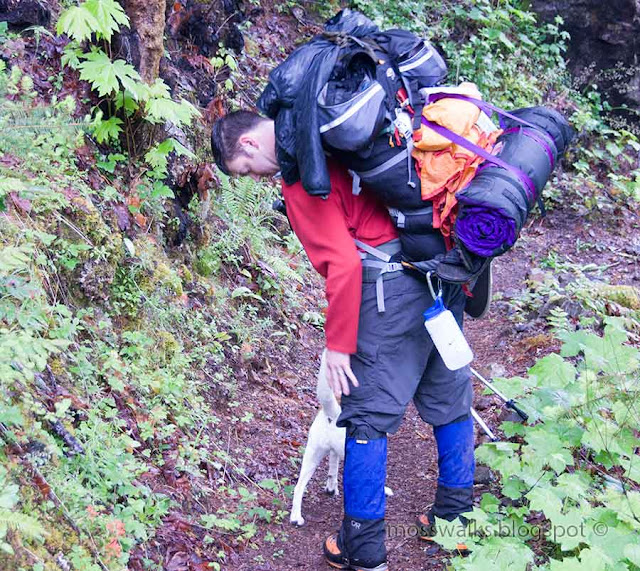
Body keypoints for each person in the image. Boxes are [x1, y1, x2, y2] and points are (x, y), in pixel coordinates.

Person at [211, 110, 475, 571]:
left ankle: (363, 548)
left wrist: (338, 344)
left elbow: (345, 265)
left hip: (389, 291)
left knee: (365, 418)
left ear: (249, 144)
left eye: (246, 170)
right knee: (451, 398)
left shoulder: (301, 172)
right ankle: (455, 520)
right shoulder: (345, 136)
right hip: (440, 267)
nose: (254, 178)